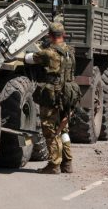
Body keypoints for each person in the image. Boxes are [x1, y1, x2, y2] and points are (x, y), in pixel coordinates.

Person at [24, 22, 76, 174]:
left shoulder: (48, 53)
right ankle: (68, 163)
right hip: (68, 93)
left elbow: (28, 58)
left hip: (53, 95)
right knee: (64, 128)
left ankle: (54, 165)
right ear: (63, 34)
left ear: (50, 36)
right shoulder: (70, 51)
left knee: (49, 129)